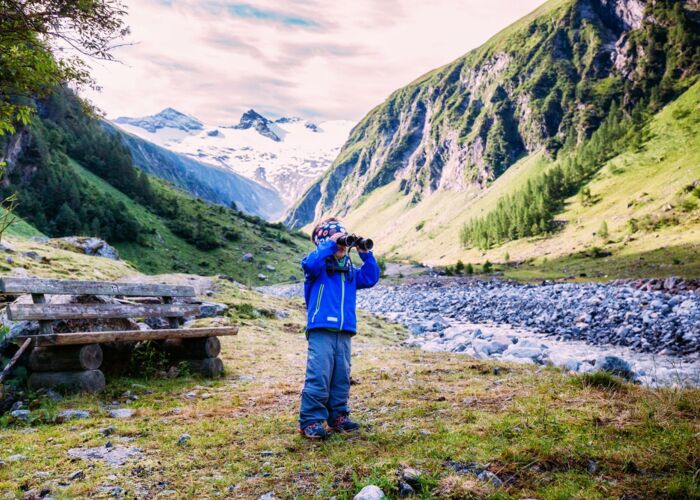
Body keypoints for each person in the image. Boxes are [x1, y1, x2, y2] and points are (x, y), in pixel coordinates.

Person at [298, 217, 381, 439]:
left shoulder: (350, 271)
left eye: (345, 243)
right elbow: (308, 263)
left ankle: (338, 416)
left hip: (344, 331)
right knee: (319, 375)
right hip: (322, 329)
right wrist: (329, 243)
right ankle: (310, 420)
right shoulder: (317, 269)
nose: (343, 247)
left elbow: (371, 277)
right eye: (338, 243)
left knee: (341, 376)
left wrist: (365, 253)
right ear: (326, 244)